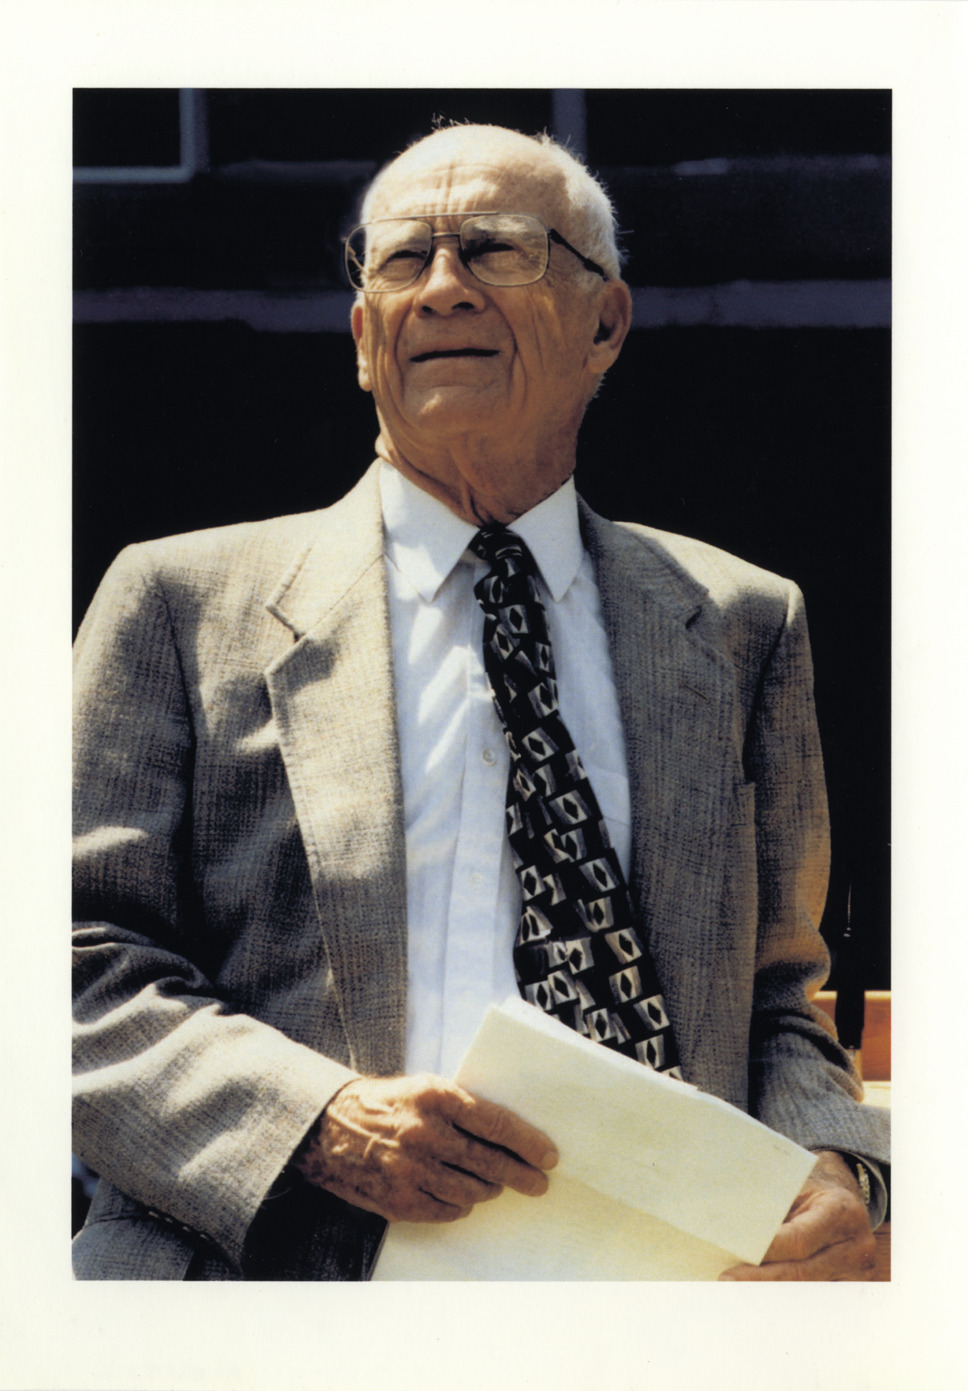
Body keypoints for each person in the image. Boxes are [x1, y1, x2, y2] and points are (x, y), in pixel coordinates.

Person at [72, 122, 889, 1282]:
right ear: (364, 338)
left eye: (496, 248)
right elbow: (66, 957)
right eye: (403, 260)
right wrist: (312, 1123)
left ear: (605, 323)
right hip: (273, 1296)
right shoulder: (177, 602)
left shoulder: (741, 622)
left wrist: (835, 1164)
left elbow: (778, 1004)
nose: (443, 287)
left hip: (652, 1305)